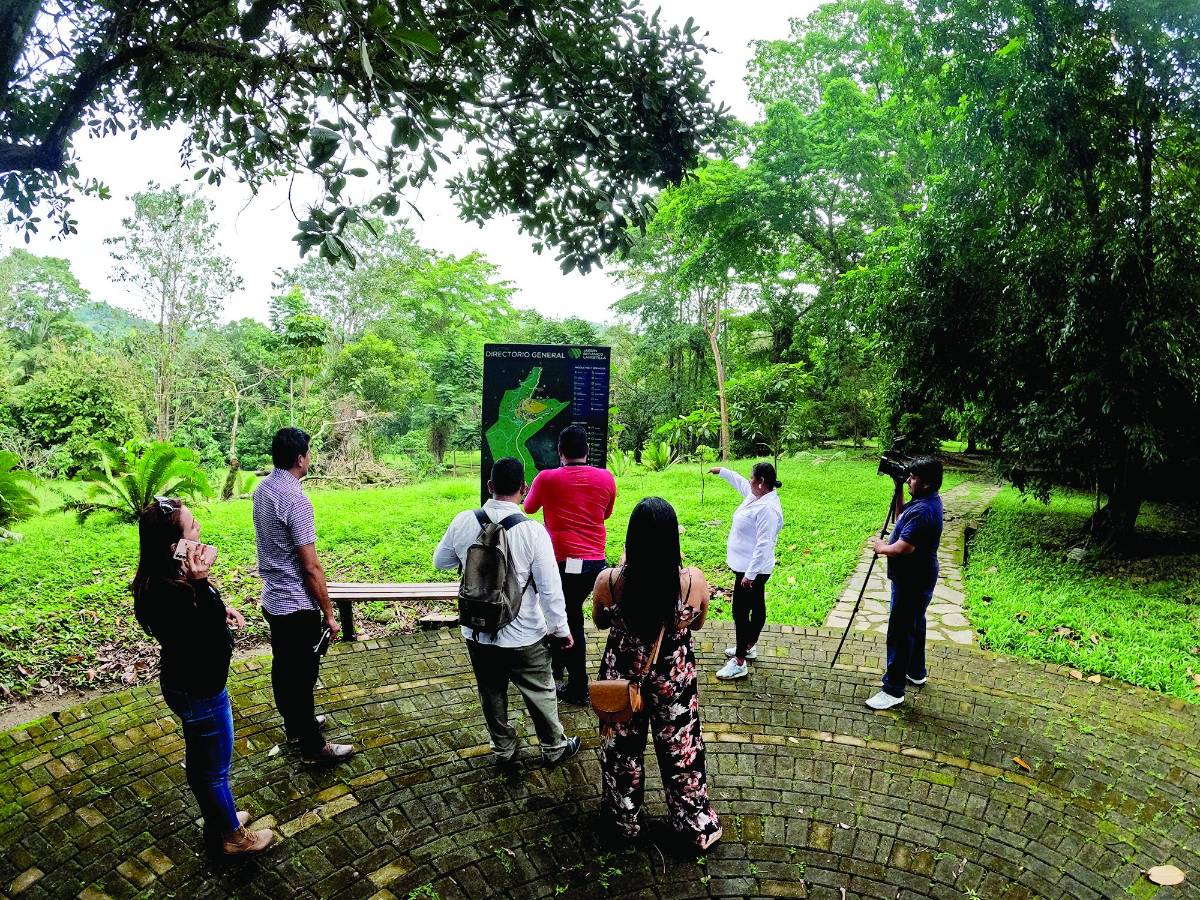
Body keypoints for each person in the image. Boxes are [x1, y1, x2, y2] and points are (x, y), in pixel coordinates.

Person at [131, 496, 274, 857]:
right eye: (193, 527)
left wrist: (215, 601)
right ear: (174, 545)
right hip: (201, 691)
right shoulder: (171, 589)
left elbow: (195, 623)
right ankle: (232, 836)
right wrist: (202, 584)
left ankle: (220, 816)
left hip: (187, 685)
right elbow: (204, 636)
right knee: (212, 770)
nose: (200, 531)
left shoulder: (164, 577)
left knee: (203, 763)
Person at [434, 456, 583, 766]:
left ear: (489, 486)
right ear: (524, 489)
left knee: (491, 693)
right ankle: (554, 747)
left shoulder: (464, 520)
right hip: (524, 632)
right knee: (540, 690)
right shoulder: (533, 531)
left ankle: (504, 751)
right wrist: (561, 631)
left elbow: (441, 561)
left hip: (477, 630)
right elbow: (550, 590)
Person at [592, 497, 721, 850]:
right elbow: (700, 621)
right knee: (681, 748)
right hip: (672, 677)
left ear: (631, 540)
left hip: (624, 677)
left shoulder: (610, 580)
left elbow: (600, 620)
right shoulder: (692, 581)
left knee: (621, 750)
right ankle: (692, 823)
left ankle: (624, 820)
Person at [252, 427, 355, 764]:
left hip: (273, 599)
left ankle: (297, 725)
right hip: (296, 603)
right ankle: (314, 748)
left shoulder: (263, 488)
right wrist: (328, 613)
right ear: (300, 458)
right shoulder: (296, 499)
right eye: (309, 452)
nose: (310, 457)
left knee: (284, 668)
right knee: (302, 674)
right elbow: (310, 566)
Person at [524, 424, 617, 705]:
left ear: (560, 451)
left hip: (560, 564)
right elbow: (607, 513)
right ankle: (559, 667)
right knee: (566, 613)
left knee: (568, 618)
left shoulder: (546, 478)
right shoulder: (606, 477)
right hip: (595, 565)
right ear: (587, 451)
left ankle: (578, 687)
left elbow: (528, 508)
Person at [864, 456, 945, 710]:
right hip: (916, 578)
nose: (909, 479)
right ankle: (916, 671)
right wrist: (898, 486)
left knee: (900, 632)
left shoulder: (923, 510)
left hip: (912, 580)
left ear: (928, 483)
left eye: (913, 478)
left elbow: (904, 547)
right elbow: (900, 517)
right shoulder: (924, 501)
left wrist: (881, 547)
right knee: (915, 626)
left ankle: (893, 689)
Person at [707, 462, 785, 680]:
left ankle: (739, 661)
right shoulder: (758, 495)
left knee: (740, 613)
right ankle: (749, 646)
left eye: (752, 478)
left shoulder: (767, 509)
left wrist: (750, 575)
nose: (748, 480)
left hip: (752, 571)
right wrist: (722, 472)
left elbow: (764, 544)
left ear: (761, 482)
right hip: (748, 568)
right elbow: (741, 483)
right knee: (756, 605)